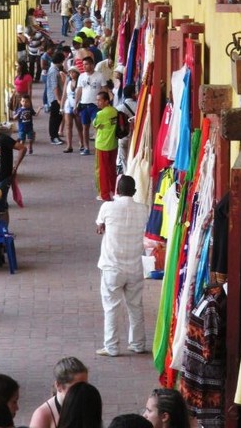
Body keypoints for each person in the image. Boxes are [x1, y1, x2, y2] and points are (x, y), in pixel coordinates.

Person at [95, 175, 148, 357]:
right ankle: (138, 344)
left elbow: (99, 227)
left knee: (111, 307)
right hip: (134, 266)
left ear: (117, 191)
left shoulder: (107, 207)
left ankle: (111, 347)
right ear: (134, 192)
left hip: (112, 267)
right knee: (135, 306)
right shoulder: (143, 209)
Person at [29, 356, 88, 428]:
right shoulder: (42, 415)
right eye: (76, 388)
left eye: (85, 386)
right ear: (59, 386)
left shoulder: (87, 404)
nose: (83, 392)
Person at [74, 56, 106, 155]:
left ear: (92, 65)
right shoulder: (81, 76)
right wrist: (76, 104)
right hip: (84, 104)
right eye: (83, 64)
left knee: (97, 126)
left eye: (86, 64)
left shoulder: (100, 76)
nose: (84, 66)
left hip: (95, 105)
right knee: (85, 127)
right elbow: (79, 90)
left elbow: (104, 90)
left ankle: (98, 146)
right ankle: (86, 147)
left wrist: (104, 103)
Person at [92, 89, 118, 201]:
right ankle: (113, 190)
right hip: (113, 143)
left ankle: (105, 194)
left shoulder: (101, 114)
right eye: (97, 100)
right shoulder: (114, 111)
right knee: (112, 169)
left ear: (107, 101)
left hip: (102, 144)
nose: (98, 102)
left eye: (100, 100)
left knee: (101, 171)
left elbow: (95, 124)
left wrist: (98, 126)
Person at [116, 84, 138, 174]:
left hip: (124, 136)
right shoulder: (138, 106)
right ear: (133, 94)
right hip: (135, 136)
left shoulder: (119, 107)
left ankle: (126, 174)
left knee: (124, 158)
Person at [46, 51, 66, 145]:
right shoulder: (53, 71)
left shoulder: (55, 69)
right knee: (55, 118)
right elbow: (55, 86)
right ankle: (53, 136)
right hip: (54, 99)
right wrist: (58, 99)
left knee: (58, 117)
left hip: (56, 97)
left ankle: (55, 136)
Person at [61, 67, 82, 153]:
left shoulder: (80, 82)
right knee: (68, 125)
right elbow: (64, 94)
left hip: (78, 105)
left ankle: (82, 143)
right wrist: (61, 107)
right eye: (70, 73)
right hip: (68, 104)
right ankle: (69, 145)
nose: (72, 74)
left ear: (77, 73)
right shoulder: (68, 82)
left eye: (73, 72)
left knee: (79, 126)